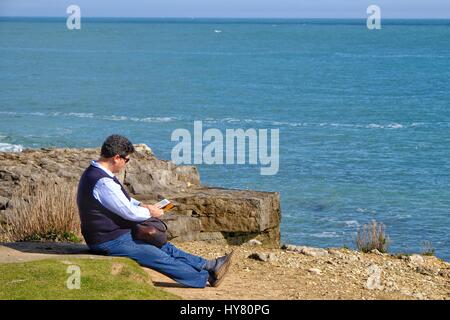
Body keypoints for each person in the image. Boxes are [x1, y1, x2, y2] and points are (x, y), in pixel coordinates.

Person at [76, 134, 233, 288]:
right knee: (160, 257)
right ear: (117, 157)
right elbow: (128, 213)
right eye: (127, 160)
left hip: (115, 234)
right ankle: (205, 276)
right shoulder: (103, 181)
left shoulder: (97, 174)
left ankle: (210, 265)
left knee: (163, 246)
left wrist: (143, 205)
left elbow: (123, 201)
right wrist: (152, 213)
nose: (126, 164)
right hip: (108, 240)